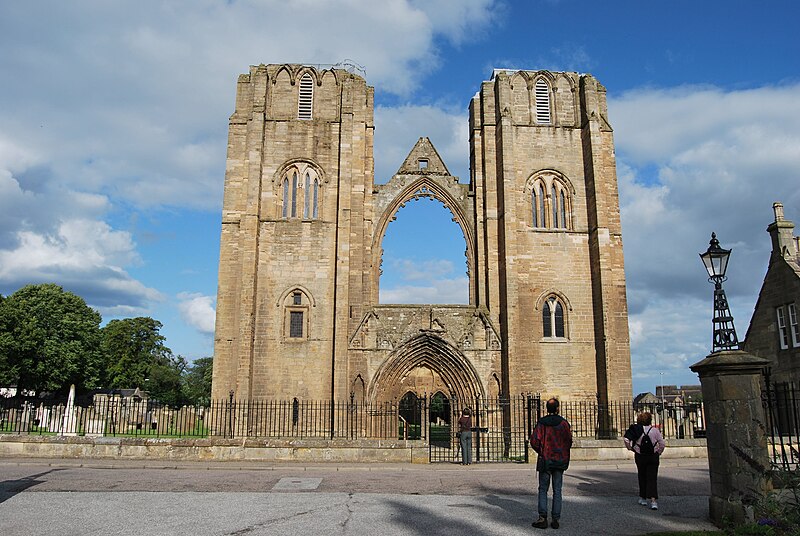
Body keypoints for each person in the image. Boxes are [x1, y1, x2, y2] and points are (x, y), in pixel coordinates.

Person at [530, 398, 573, 529]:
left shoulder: (542, 423)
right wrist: (562, 452)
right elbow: (569, 441)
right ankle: (555, 519)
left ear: (547, 409)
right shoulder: (564, 423)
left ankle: (543, 518)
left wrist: (542, 451)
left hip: (546, 460)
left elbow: (534, 441)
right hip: (559, 460)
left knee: (543, 489)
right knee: (557, 490)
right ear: (558, 408)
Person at [624, 411, 666, 510]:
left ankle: (643, 498)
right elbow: (662, 444)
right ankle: (653, 501)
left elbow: (626, 439)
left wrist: (630, 448)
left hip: (640, 456)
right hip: (653, 456)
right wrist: (658, 452)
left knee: (642, 476)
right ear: (650, 420)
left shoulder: (636, 430)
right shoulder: (655, 430)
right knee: (652, 478)